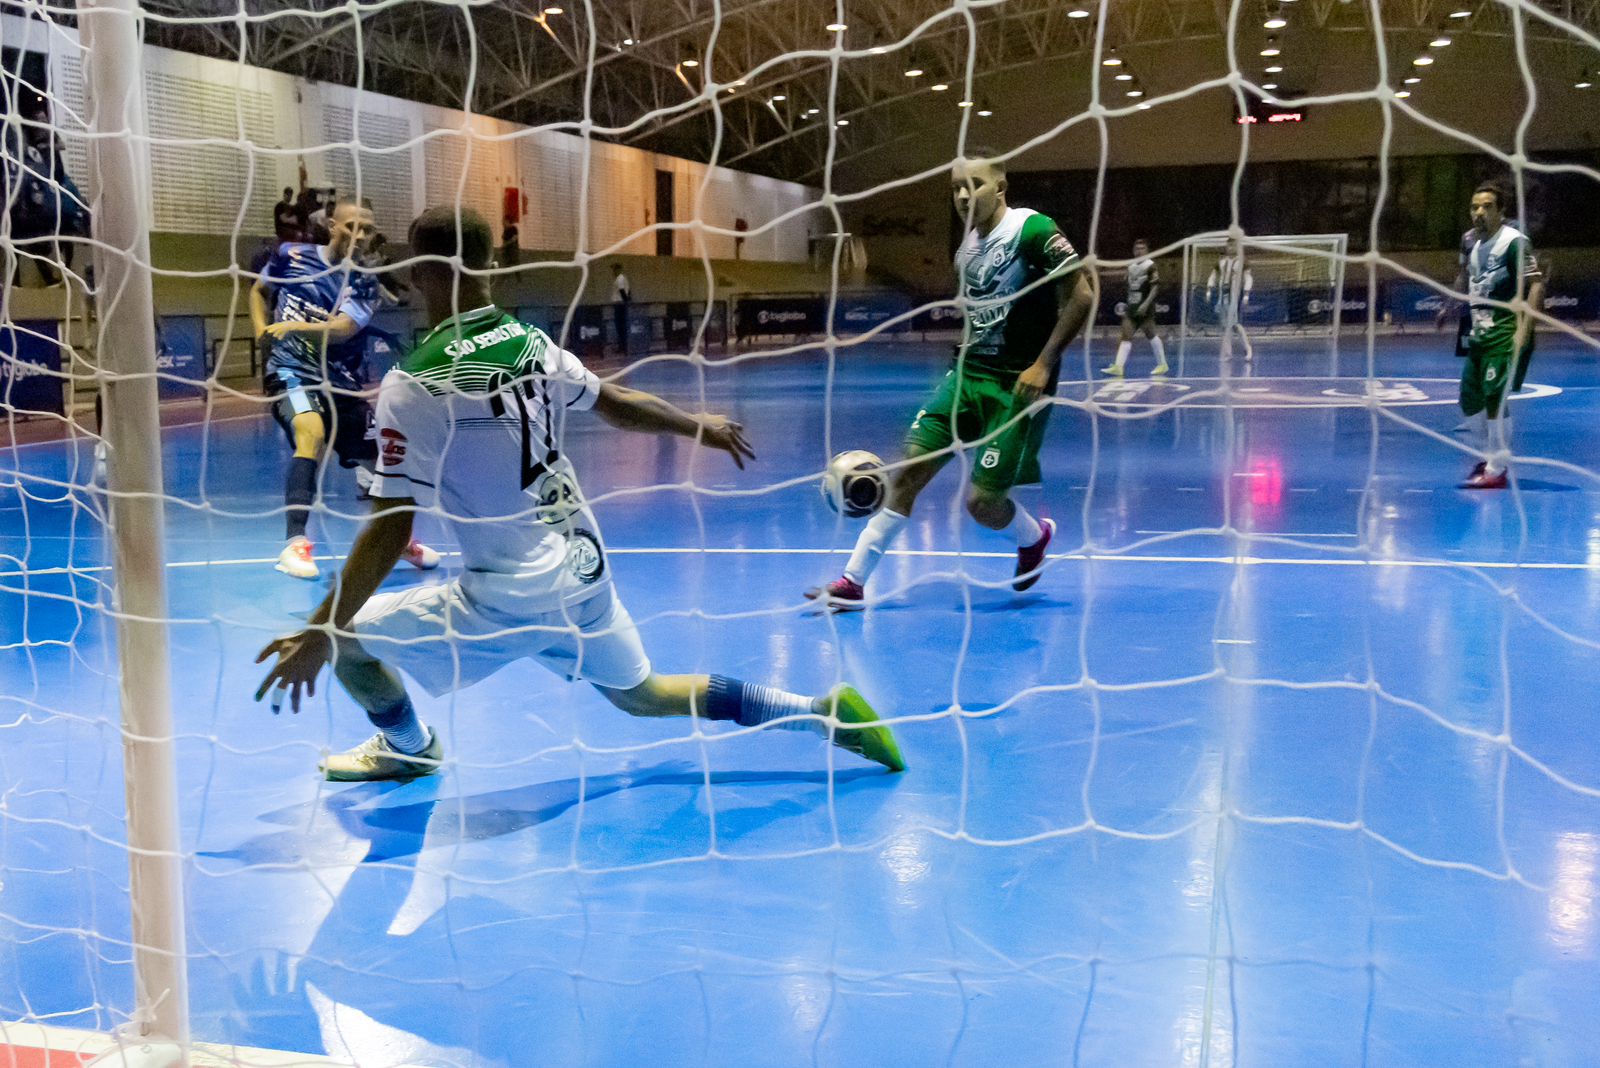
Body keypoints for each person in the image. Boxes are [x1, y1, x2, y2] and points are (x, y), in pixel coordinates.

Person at [254, 205, 905, 782]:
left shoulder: (413, 383)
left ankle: (409, 747)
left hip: (510, 591)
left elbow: (392, 527)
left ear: (421, 268)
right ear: (491, 263)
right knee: (641, 693)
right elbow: (616, 401)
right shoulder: (529, 342)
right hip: (583, 563)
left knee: (344, 643)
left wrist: (318, 627)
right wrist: (695, 425)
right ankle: (821, 715)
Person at [806, 149, 1095, 608]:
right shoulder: (965, 249)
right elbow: (977, 317)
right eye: (956, 188)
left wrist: (1043, 364)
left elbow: (1082, 295)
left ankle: (1034, 537)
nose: (964, 195)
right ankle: (852, 582)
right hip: (965, 377)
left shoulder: (1032, 229)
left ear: (1000, 186)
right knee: (907, 475)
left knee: (982, 504)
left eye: (974, 184)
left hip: (1015, 386)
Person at [250, 195, 441, 579]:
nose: (362, 235)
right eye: (354, 226)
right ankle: (294, 545)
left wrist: (294, 327)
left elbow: (342, 330)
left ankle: (396, 539)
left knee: (387, 460)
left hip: (342, 382)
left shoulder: (367, 282)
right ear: (334, 227)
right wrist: (261, 333)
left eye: (369, 229)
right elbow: (258, 291)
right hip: (290, 369)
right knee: (310, 430)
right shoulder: (291, 255)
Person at [1457, 182, 1543, 490]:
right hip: (1480, 335)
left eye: (1487, 206)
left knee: (1495, 397)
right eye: (1474, 207)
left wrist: (1524, 330)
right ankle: (1489, 454)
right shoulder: (1476, 245)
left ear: (1501, 211)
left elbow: (1535, 284)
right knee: (1469, 401)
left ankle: (1497, 469)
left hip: (1506, 332)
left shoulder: (1514, 242)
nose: (1479, 212)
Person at [1101, 238, 1167, 377]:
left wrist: (1145, 304)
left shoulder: (1151, 266)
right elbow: (1129, 285)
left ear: (1147, 250)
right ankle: (1118, 367)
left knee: (1151, 334)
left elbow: (1155, 288)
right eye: (1137, 248)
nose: (1139, 251)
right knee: (1126, 335)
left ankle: (1162, 364)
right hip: (1132, 307)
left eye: (1142, 248)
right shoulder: (1131, 266)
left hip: (1145, 308)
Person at [1204, 237, 1253, 361]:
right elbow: (1213, 276)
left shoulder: (1242, 261)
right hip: (1222, 296)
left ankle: (1248, 348)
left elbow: (1248, 278)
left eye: (1233, 245)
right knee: (1224, 326)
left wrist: (1246, 294)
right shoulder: (1221, 261)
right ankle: (1228, 353)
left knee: (1235, 325)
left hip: (1234, 297)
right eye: (1229, 245)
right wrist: (1209, 289)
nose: (1231, 248)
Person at [611, 263, 631, 353]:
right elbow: (628, 291)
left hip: (619, 304)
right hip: (621, 304)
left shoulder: (620, 278)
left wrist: (625, 300)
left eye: (614, 269)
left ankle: (622, 347)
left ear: (618, 269)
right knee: (622, 326)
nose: (613, 271)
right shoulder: (623, 278)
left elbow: (622, 290)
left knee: (620, 326)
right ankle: (623, 346)